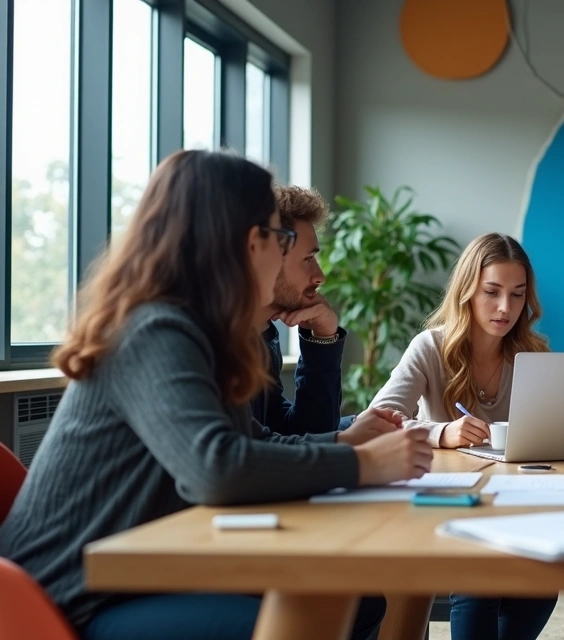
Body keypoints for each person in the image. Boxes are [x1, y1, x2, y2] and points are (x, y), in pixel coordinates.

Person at [0, 150, 434, 640]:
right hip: (69, 598)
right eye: (282, 238)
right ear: (250, 242)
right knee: (304, 623)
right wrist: (363, 463)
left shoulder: (203, 334)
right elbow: (216, 469)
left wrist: (346, 442)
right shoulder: (155, 330)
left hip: (134, 577)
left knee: (350, 600)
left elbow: (250, 441)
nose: (288, 256)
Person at [368, 233, 556, 640]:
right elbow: (376, 422)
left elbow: (555, 429)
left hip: (515, 502)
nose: (505, 307)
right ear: (467, 291)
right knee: (479, 579)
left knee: (543, 584)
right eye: (492, 292)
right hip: (447, 501)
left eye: (517, 295)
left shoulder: (534, 355)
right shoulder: (430, 348)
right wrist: (441, 432)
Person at [251, 184, 355, 435]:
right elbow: (248, 450)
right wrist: (346, 442)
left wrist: (323, 339)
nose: (320, 277)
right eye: (308, 259)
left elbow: (299, 432)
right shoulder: (210, 340)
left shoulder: (263, 337)